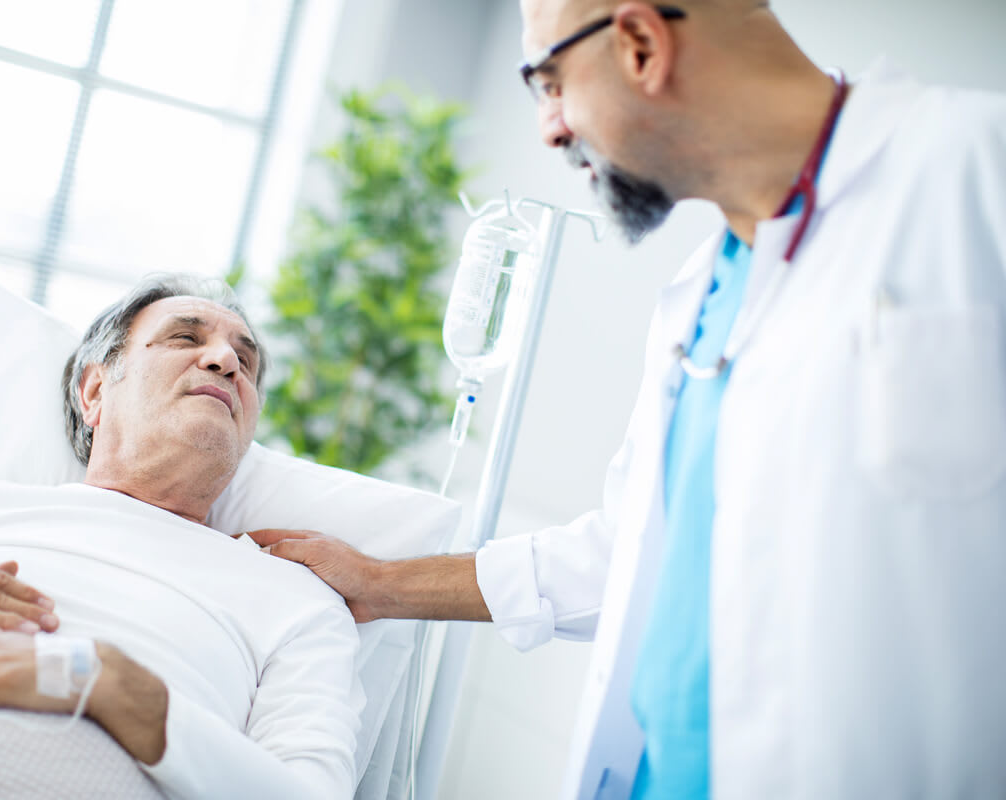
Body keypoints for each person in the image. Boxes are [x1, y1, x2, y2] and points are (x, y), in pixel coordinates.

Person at [249, 1, 1006, 798]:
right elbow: (634, 552)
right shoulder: (702, 294)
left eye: (548, 82)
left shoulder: (976, 172)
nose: (548, 128)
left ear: (641, 44)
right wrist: (381, 584)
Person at [0, 275, 362, 800]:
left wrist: (123, 692)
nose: (225, 362)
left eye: (245, 361)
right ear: (94, 390)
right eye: (184, 337)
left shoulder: (297, 597)